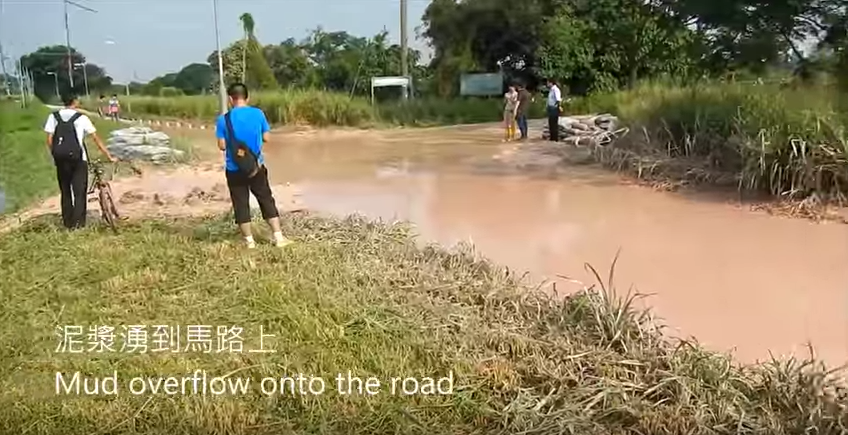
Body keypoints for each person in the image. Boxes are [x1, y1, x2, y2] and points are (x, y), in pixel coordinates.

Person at [215, 82, 292, 249]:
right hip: (256, 167)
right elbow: (267, 138)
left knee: (240, 203)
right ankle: (279, 238)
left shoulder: (223, 120)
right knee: (265, 199)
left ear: (230, 99)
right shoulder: (258, 114)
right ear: (247, 97)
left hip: (234, 169)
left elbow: (221, 146)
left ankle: (249, 242)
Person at [43, 92, 116, 230]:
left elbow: (49, 139)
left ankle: (67, 223)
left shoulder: (53, 116)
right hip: (78, 159)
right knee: (79, 192)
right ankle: (78, 224)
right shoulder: (81, 118)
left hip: (61, 160)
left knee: (65, 191)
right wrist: (109, 156)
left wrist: (56, 154)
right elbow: (95, 138)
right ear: (75, 101)